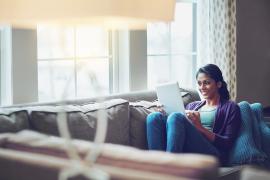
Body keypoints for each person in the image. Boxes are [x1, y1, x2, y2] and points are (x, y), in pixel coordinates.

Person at [146, 64, 241, 165]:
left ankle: (171, 168)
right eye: (199, 83)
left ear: (218, 84)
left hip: (213, 152)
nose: (202, 87)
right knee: (154, 117)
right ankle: (156, 167)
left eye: (207, 83)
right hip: (188, 146)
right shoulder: (192, 106)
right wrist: (166, 113)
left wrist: (200, 128)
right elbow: (178, 130)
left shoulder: (231, 107)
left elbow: (227, 143)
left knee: (176, 117)